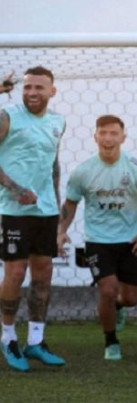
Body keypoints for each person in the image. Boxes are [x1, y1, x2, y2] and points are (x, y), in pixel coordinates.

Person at [57, 115, 137, 360]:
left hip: (131, 240)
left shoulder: (135, 167)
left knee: (131, 298)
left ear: (123, 137)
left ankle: (119, 308)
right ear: (95, 137)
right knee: (108, 289)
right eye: (103, 133)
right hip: (98, 241)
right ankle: (111, 341)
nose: (108, 138)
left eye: (114, 133)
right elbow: (70, 204)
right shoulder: (83, 171)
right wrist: (61, 231)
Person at [0, 66, 67, 372]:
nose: (32, 93)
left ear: (51, 91)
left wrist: (57, 209)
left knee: (43, 273)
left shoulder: (58, 122)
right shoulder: (7, 116)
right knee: (15, 273)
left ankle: (36, 341)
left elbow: (53, 165)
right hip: (14, 211)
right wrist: (15, 188)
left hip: (46, 211)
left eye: (39, 88)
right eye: (27, 87)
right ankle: (8, 338)